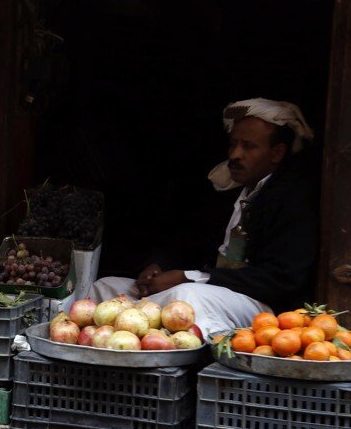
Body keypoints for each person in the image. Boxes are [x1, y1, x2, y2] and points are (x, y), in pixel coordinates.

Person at [89, 98, 319, 335]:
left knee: (184, 297)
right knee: (105, 287)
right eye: (233, 144)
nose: (235, 154)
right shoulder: (225, 191)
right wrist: (159, 266)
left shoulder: (293, 199)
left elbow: (281, 280)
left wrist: (190, 278)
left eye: (248, 146)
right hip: (209, 290)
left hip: (261, 307)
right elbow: (186, 240)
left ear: (277, 153)